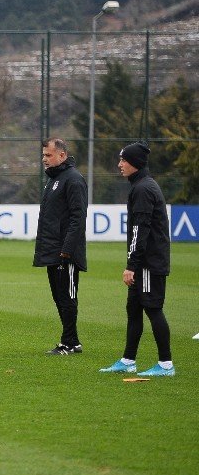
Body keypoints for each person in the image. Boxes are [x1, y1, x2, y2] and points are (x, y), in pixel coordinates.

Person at [99, 142, 175, 376]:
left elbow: (139, 231)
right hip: (145, 262)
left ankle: (166, 365)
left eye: (123, 160)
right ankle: (128, 360)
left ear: (136, 163)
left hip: (149, 264)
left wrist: (131, 266)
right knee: (134, 309)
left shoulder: (143, 189)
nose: (119, 164)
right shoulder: (141, 186)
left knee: (153, 309)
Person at [34, 137, 87, 355]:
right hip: (53, 250)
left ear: (62, 155)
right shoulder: (54, 179)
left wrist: (67, 249)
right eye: (44, 155)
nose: (45, 159)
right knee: (59, 296)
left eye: (49, 155)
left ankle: (71, 343)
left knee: (67, 296)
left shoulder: (73, 179)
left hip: (66, 253)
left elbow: (78, 218)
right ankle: (68, 341)